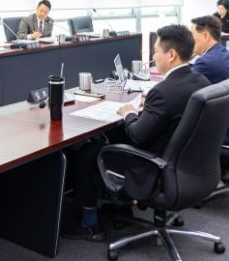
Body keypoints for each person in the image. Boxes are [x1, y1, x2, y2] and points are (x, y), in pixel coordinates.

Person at [61, 24, 210, 241]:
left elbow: (138, 136)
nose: (153, 57)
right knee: (114, 136)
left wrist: (130, 112)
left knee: (88, 152)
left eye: (156, 51)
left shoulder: (164, 91)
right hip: (189, 165)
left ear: (171, 54)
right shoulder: (201, 81)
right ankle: (121, 206)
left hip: (157, 168)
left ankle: (90, 225)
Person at [190, 15, 229, 146]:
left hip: (224, 132)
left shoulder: (204, 63)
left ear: (205, 36)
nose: (190, 41)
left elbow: (185, 97)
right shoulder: (224, 54)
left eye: (192, 36)